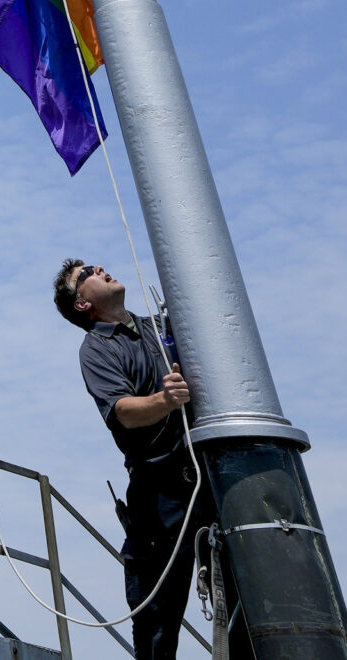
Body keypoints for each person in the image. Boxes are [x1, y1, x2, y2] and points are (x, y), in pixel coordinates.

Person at [54, 258, 215, 660]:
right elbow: (121, 410)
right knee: (156, 626)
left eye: (95, 265)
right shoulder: (96, 349)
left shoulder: (160, 327)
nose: (100, 269)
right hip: (159, 494)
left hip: (211, 480)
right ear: (82, 304)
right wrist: (165, 400)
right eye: (87, 274)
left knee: (247, 598)